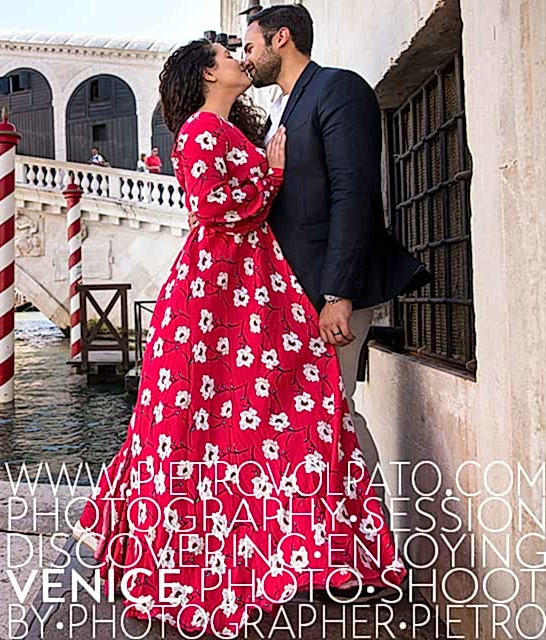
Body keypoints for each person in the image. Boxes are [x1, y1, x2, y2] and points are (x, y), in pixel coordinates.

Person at [73, 38, 407, 636]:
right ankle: (216, 558)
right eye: (227, 55)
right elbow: (213, 207)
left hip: (245, 287)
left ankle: (285, 552)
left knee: (256, 415)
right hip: (216, 293)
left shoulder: (223, 130)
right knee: (204, 421)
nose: (237, 60)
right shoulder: (201, 130)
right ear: (208, 72)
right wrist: (273, 174)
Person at [241, 4, 430, 433]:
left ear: (281, 38)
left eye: (250, 47)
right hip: (294, 291)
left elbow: (354, 192)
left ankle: (371, 503)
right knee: (310, 417)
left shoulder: (337, 89)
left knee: (333, 413)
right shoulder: (280, 109)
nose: (246, 58)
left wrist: (337, 294)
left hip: (329, 290)